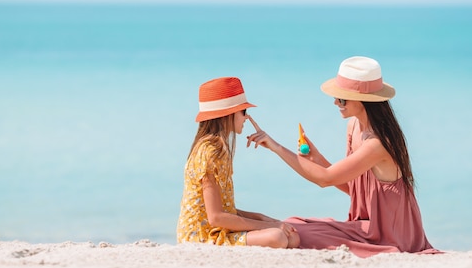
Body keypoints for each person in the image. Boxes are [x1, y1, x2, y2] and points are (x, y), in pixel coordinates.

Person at [246, 56, 439, 257]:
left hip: (389, 235)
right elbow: (354, 189)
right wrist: (317, 158)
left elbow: (325, 179)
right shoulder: (354, 127)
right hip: (365, 226)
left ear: (364, 101)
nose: (336, 101)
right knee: (293, 223)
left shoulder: (378, 143)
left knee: (295, 231)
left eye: (342, 97)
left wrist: (276, 147)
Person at [177, 76, 300, 248]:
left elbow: (224, 212)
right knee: (278, 236)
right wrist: (270, 225)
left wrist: (261, 218)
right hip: (202, 237)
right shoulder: (209, 151)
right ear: (228, 114)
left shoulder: (220, 149)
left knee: (292, 238)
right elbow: (216, 217)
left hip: (219, 229)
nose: (247, 117)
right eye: (243, 112)